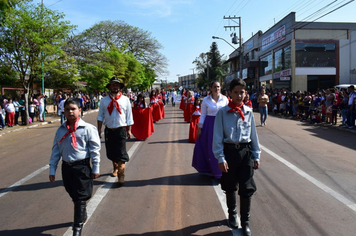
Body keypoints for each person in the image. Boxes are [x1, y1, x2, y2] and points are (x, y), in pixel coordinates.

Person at [213, 78, 261, 235]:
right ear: (230, 93)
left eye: (242, 92)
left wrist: (256, 155)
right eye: (236, 92)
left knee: (247, 187)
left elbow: (253, 135)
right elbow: (218, 137)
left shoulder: (248, 112)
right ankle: (232, 214)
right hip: (229, 152)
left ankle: (245, 221)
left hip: (245, 153)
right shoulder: (222, 112)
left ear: (245, 93)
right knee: (230, 185)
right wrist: (220, 158)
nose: (239, 95)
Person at [49, 98, 101, 236]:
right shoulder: (60, 130)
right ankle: (82, 212)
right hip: (67, 168)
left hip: (82, 167)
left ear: (80, 110)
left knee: (80, 198)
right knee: (73, 194)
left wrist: (96, 167)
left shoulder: (88, 128)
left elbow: (95, 150)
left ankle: (77, 229)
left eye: (73, 109)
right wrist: (52, 169)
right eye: (67, 109)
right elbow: (55, 151)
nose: (70, 112)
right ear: (64, 112)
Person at [97, 77, 134, 184]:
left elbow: (129, 116)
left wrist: (129, 130)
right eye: (113, 84)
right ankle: (115, 167)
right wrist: (99, 130)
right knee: (111, 152)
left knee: (121, 153)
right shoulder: (104, 100)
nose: (115, 86)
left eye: (117, 85)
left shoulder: (125, 100)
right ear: (109, 87)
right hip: (109, 130)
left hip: (121, 130)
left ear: (120, 87)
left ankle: (121, 175)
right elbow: (100, 117)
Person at [192, 81, 229, 179]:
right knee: (210, 148)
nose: (216, 89)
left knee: (223, 146)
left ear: (220, 88)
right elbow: (203, 114)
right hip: (210, 125)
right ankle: (213, 170)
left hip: (222, 124)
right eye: (214, 87)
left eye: (218, 87)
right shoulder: (205, 100)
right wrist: (200, 128)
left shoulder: (225, 99)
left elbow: (228, 112)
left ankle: (223, 170)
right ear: (211, 88)